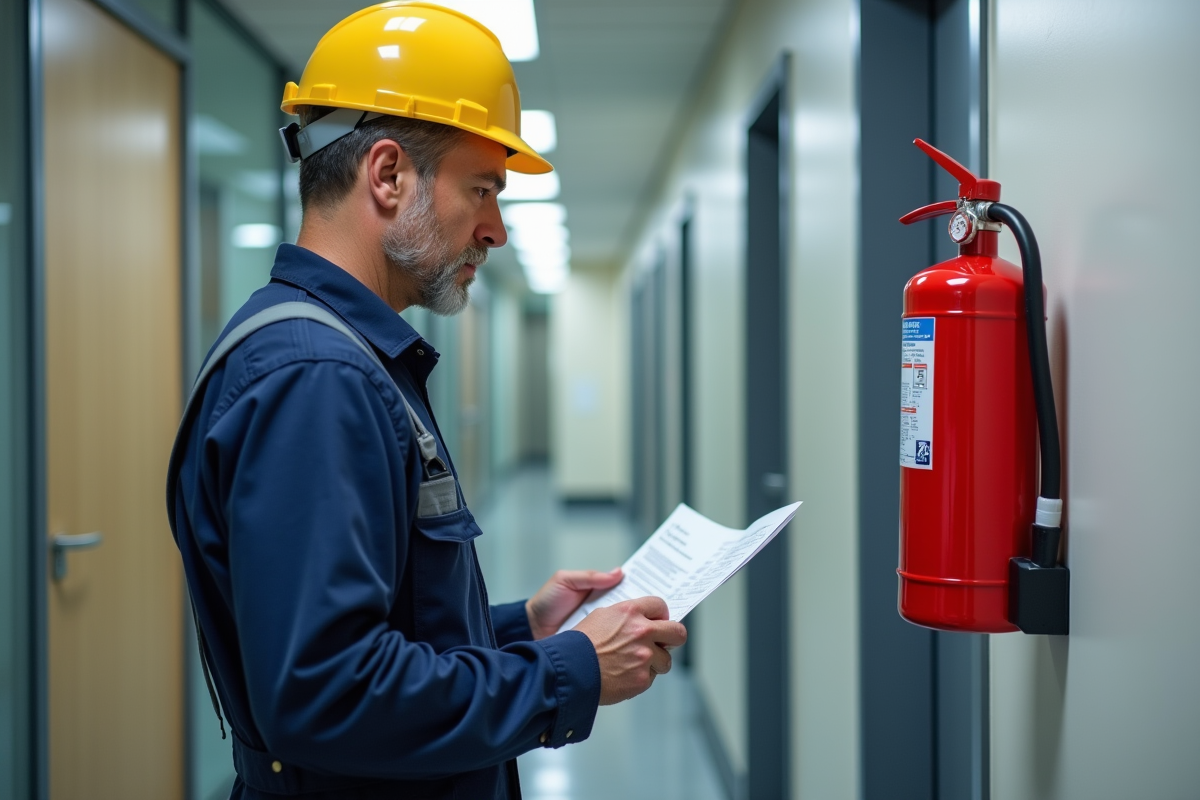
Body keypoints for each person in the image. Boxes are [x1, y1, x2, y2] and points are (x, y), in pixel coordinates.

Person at [165, 4, 686, 799]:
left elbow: (380, 626)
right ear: (387, 175)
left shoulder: (341, 354)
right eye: (482, 189)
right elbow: (329, 693)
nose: (497, 230)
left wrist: (522, 629)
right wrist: (569, 672)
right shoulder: (318, 377)